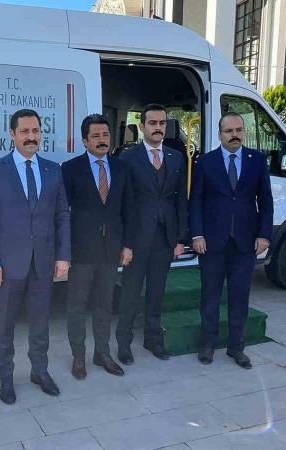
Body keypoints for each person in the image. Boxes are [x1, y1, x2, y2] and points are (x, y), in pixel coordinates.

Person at [0, 108, 71, 404]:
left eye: (36, 131)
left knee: (40, 323)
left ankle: (39, 371)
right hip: (8, 264)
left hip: (43, 262)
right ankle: (5, 377)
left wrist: (63, 256)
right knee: (4, 325)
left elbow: (62, 215)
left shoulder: (53, 170)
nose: (31, 137)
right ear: (12, 134)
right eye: (25, 131)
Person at [190, 112, 274, 369]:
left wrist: (264, 235)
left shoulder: (257, 160)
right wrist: (197, 234)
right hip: (212, 242)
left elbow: (266, 200)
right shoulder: (205, 162)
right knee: (210, 297)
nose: (234, 135)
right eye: (229, 131)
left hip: (245, 243)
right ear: (220, 135)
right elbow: (195, 201)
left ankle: (237, 348)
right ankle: (207, 344)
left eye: (238, 130)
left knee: (239, 297)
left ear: (243, 132)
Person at [61, 114, 133, 379]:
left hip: (111, 249)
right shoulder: (70, 169)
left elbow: (128, 208)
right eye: (95, 136)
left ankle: (102, 353)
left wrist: (128, 245)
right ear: (85, 141)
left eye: (105, 135)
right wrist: (64, 250)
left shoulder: (121, 168)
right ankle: (78, 357)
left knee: (104, 305)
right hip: (81, 250)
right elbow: (62, 213)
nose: (102, 140)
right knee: (77, 306)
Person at [116, 103, 188, 363]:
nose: (158, 128)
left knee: (157, 292)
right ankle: (123, 343)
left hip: (164, 238)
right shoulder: (128, 158)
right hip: (136, 238)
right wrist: (125, 243)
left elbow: (181, 200)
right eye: (153, 123)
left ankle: (152, 340)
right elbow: (122, 203)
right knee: (130, 293)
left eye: (162, 123)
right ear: (142, 126)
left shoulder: (176, 157)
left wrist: (180, 239)